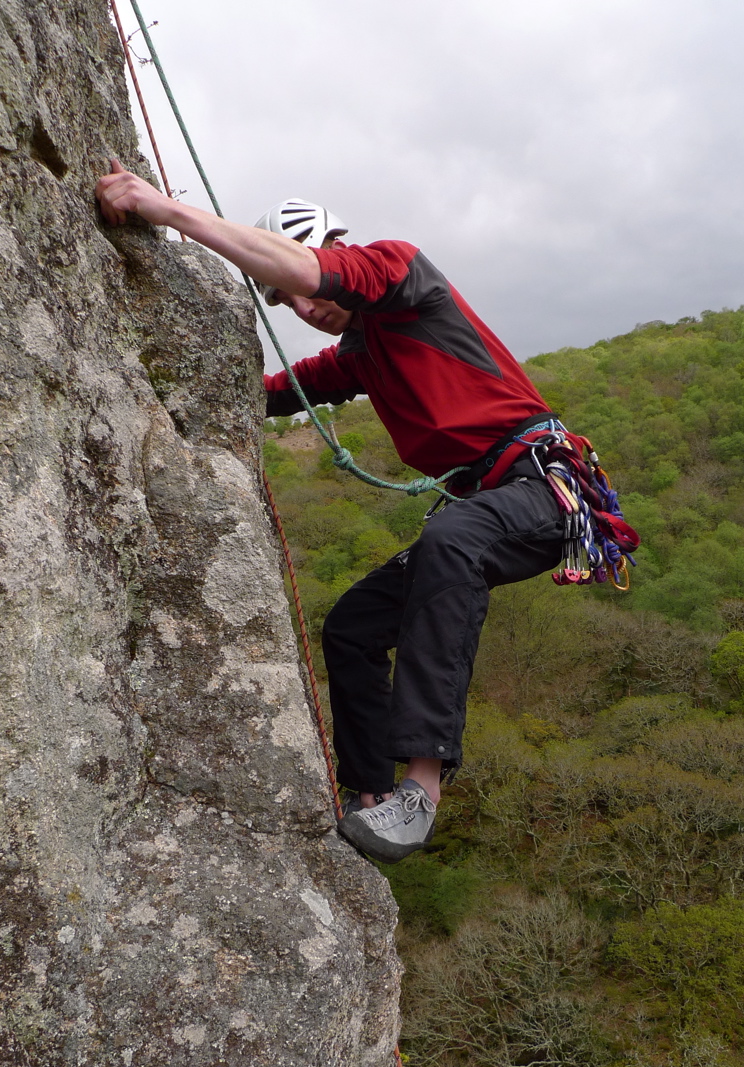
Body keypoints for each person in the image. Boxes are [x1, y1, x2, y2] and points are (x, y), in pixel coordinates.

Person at [95, 163, 567, 864]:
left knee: (452, 538)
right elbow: (275, 392)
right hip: (488, 504)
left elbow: (325, 276)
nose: (303, 310)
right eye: (283, 304)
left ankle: (421, 790)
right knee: (352, 626)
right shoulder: (361, 354)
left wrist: (165, 212)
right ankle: (372, 795)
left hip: (539, 489)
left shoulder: (399, 272)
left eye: (296, 292)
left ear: (329, 248)